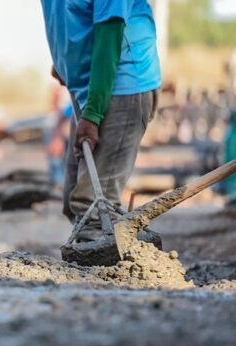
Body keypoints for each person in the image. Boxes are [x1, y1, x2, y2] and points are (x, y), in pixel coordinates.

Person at [40, 0, 162, 243]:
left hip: (121, 84)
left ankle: (113, 272)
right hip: (86, 86)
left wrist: (93, 114)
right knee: (73, 199)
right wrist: (64, 63)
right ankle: (105, 252)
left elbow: (110, 31)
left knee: (94, 207)